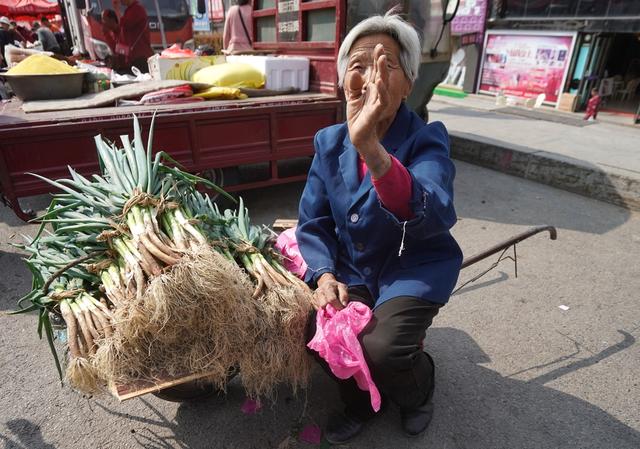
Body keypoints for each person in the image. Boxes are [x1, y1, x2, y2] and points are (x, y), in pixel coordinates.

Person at [296, 11, 462, 444]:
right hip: (353, 267)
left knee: (384, 348)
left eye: (388, 65)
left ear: (408, 84)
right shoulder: (328, 142)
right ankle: (359, 402)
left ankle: (418, 390)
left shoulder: (428, 138)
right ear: (342, 81)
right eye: (359, 64)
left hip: (413, 265)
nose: (372, 77)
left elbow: (433, 207)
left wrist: (369, 146)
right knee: (314, 329)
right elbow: (313, 221)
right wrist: (325, 274)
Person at [111, 0, 154, 73]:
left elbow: (124, 24)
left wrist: (117, 10)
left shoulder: (137, 9)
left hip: (139, 57)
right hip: (132, 57)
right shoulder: (129, 10)